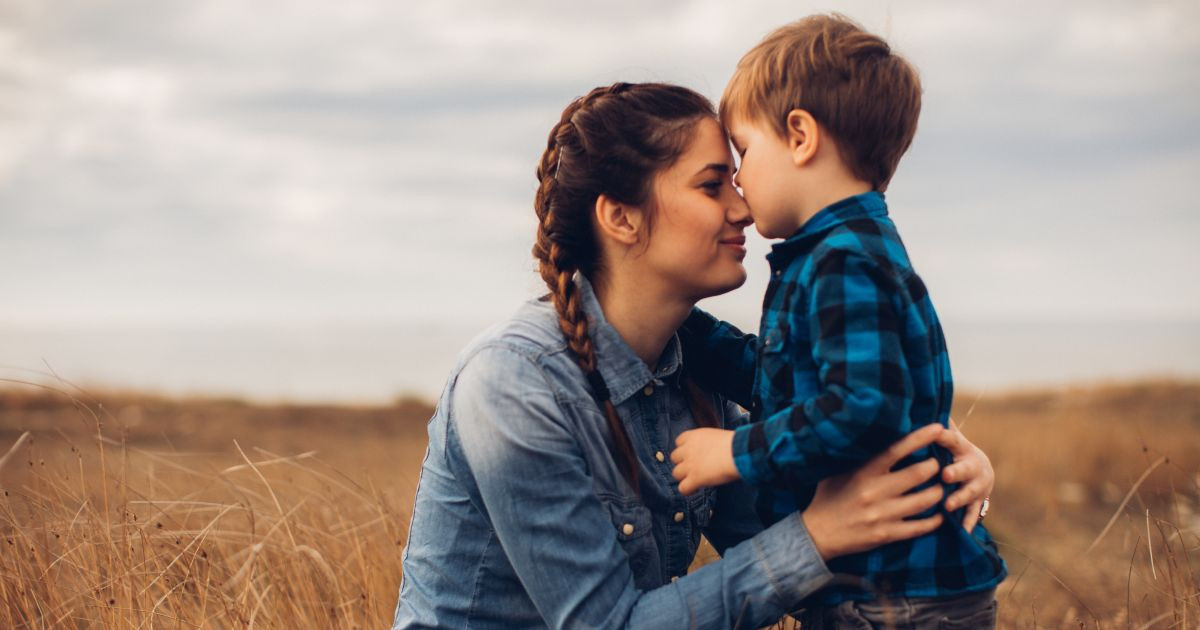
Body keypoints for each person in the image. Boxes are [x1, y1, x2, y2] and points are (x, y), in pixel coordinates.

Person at [392, 82, 996, 629]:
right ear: (621, 218)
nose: (743, 209)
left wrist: (930, 473)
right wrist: (817, 536)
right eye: (712, 186)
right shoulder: (513, 385)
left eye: (736, 180)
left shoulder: (692, 378)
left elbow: (800, 525)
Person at [667, 15, 1006, 628]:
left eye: (743, 150)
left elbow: (861, 407)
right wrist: (683, 325)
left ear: (800, 136)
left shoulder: (841, 261)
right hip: (895, 587)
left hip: (895, 596)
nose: (739, 179)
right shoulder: (845, 249)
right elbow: (785, 378)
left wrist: (736, 452)